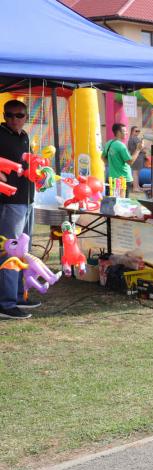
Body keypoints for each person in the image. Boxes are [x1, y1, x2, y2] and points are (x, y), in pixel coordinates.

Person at [0, 100, 37, 319]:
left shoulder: (24, 136)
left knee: (23, 250)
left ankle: (18, 295)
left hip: (27, 200)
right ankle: (6, 303)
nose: (14, 119)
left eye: (19, 115)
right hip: (10, 202)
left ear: (26, 117)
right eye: (9, 115)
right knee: (10, 251)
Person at [102, 123, 143, 197]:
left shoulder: (109, 143)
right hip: (124, 179)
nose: (127, 133)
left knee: (115, 200)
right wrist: (138, 149)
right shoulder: (121, 146)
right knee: (123, 201)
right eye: (124, 131)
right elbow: (130, 162)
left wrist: (113, 165)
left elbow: (102, 157)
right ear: (118, 132)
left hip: (113, 178)